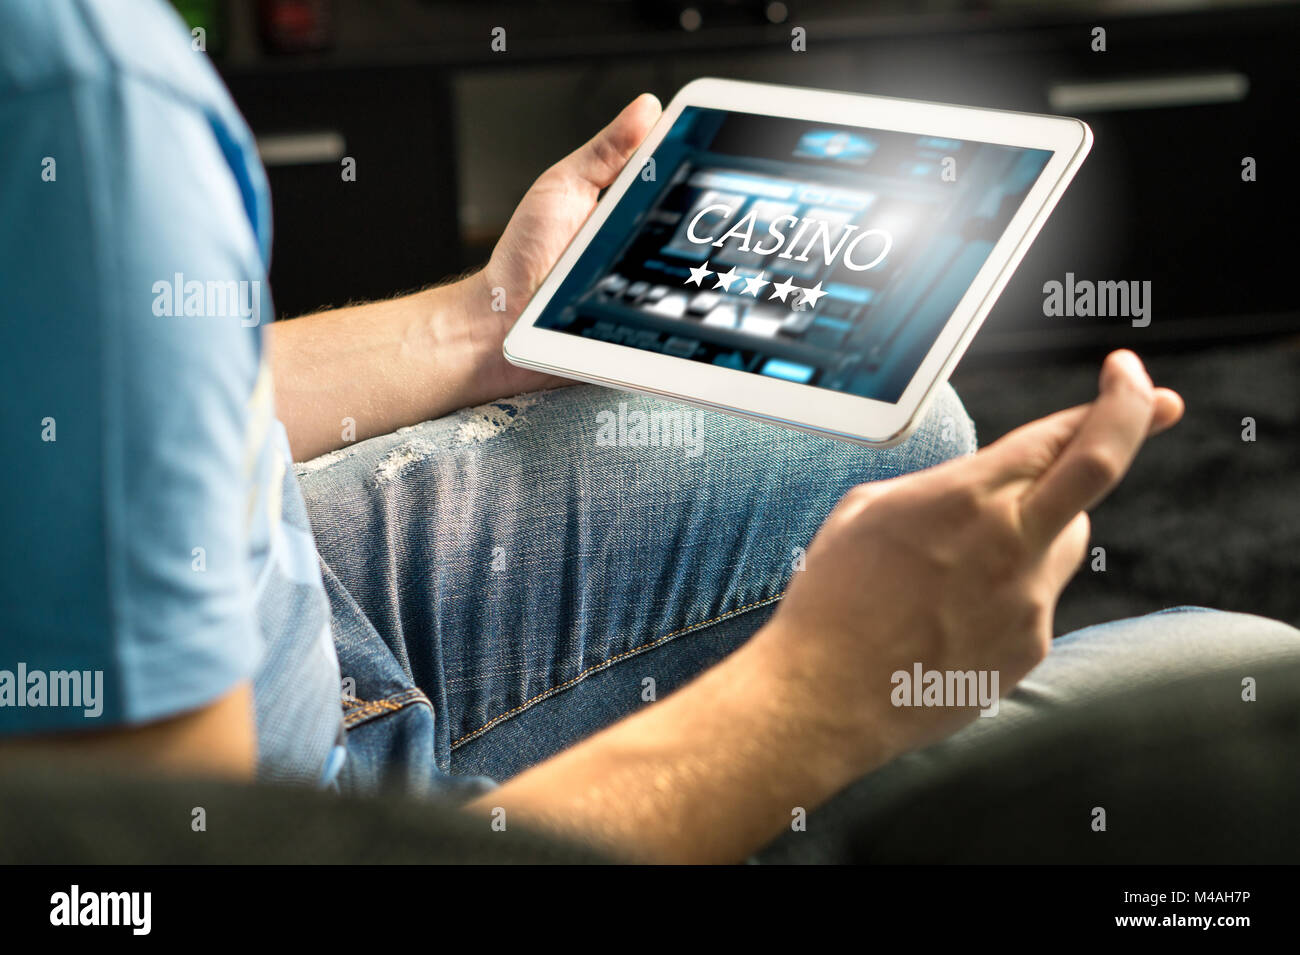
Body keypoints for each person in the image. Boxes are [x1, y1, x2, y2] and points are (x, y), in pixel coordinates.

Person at [2, 0, 1297, 865]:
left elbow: (111, 404)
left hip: (261, 600)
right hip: (288, 787)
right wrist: (814, 701)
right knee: (1248, 678)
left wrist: (483, 326)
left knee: (896, 434)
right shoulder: (84, 93)